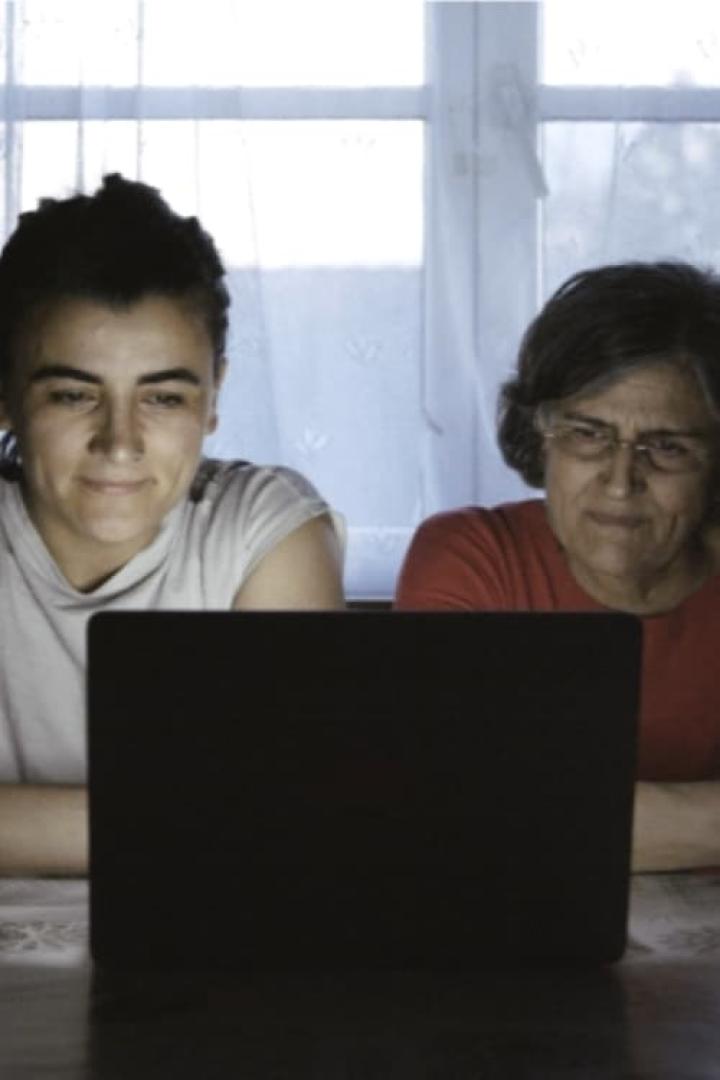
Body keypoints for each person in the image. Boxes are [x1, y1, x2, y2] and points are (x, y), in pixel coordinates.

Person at [0, 174, 344, 875]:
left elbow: (298, 813)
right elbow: (251, 821)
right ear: (5, 396)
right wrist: (189, 824)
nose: (119, 443)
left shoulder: (261, 530)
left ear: (213, 397)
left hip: (210, 953)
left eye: (162, 397)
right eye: (72, 394)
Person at [396, 261, 720, 872]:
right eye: (588, 434)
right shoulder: (472, 559)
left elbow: (527, 815)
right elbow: (452, 810)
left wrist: (554, 815)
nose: (620, 483)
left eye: (668, 447)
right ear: (539, 433)